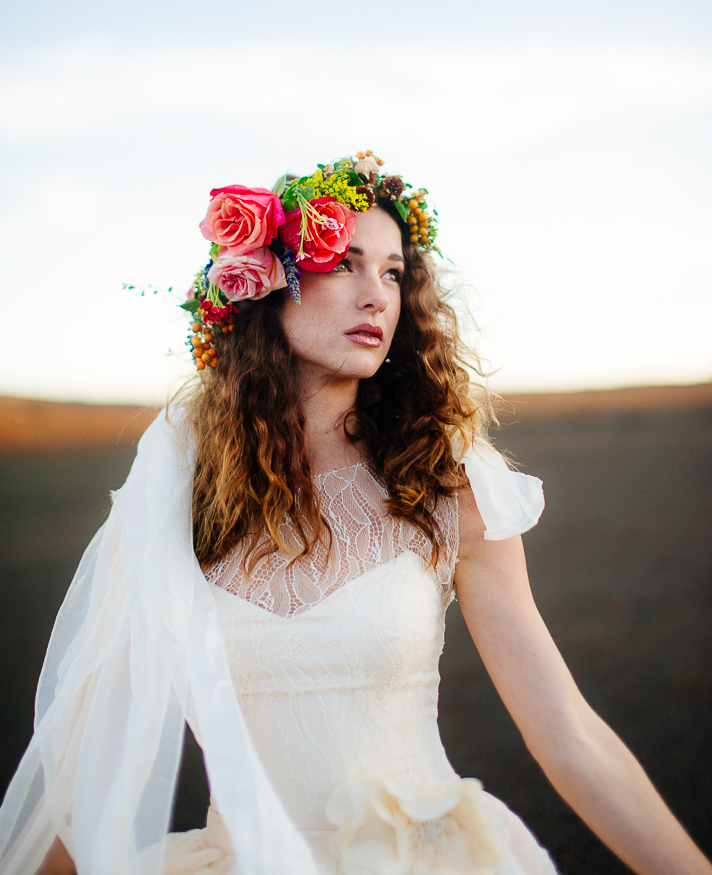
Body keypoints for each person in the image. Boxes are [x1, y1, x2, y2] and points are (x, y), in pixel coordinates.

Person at [1, 154, 709, 875]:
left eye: (395, 273)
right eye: (344, 263)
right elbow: (89, 771)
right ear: (266, 285)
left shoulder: (445, 483)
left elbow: (568, 735)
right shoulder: (177, 498)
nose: (378, 296)